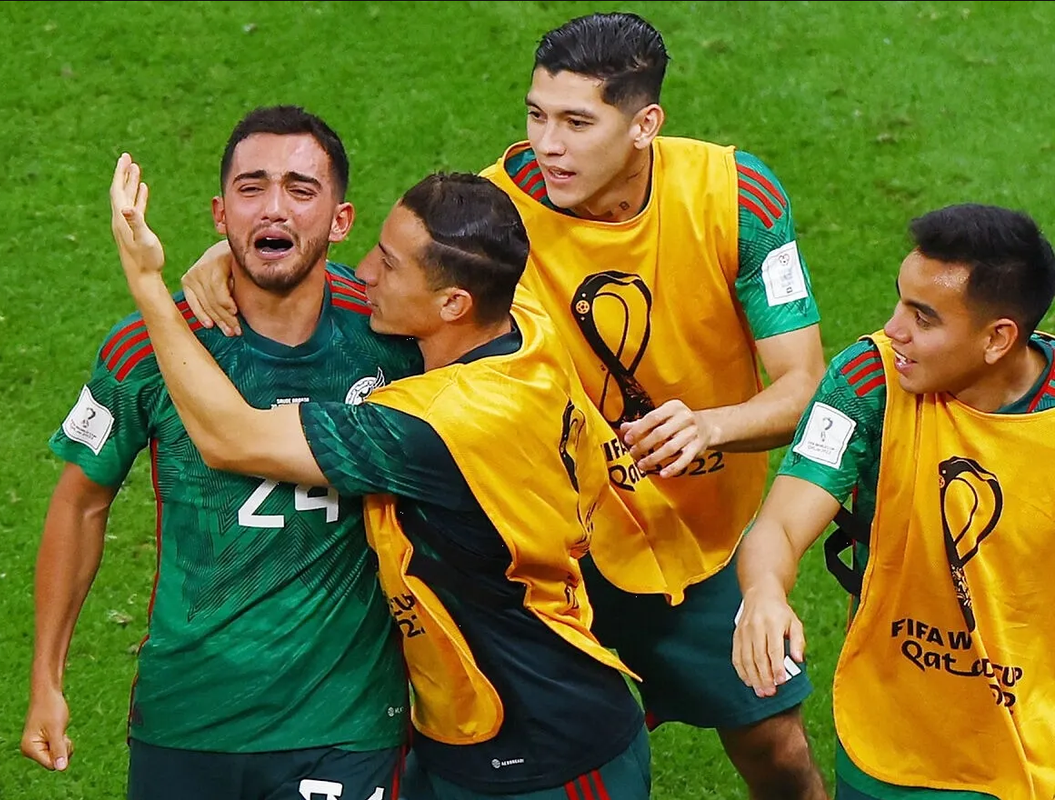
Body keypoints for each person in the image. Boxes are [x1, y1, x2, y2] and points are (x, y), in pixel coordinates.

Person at [181, 12, 829, 798]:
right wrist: (244, 252)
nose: (547, 144)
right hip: (545, 546)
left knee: (774, 744)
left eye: (577, 122)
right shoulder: (492, 208)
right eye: (536, 114)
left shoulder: (738, 197)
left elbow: (804, 390)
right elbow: (392, 288)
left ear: (643, 124)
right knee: (493, 737)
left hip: (696, 538)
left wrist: (710, 426)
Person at [108, 159, 656, 799]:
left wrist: (148, 285)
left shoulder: (437, 426)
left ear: (453, 303)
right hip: (456, 738)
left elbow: (233, 438)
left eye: (390, 266)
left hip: (549, 755)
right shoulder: (522, 323)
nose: (364, 272)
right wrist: (238, 256)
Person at [19, 105, 423, 800]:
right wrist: (46, 680)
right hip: (188, 717)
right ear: (218, 213)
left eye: (301, 190)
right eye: (251, 188)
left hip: (347, 720)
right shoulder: (145, 346)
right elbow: (81, 503)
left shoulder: (394, 338)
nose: (274, 209)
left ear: (341, 219)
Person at [732, 203, 1055, 800]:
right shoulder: (868, 378)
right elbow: (779, 524)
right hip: (895, 736)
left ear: (998, 338)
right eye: (899, 301)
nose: (894, 330)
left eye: (923, 318)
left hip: (1040, 731)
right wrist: (764, 594)